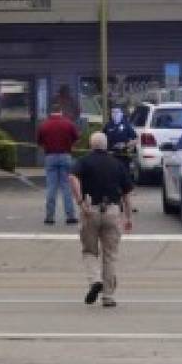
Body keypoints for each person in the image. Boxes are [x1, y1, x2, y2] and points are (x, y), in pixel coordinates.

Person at [70, 132, 134, 308]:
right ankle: (108, 296)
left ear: (91, 145)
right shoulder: (118, 164)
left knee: (89, 250)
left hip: (90, 208)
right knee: (110, 255)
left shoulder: (83, 161)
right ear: (106, 145)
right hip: (112, 210)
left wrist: (80, 201)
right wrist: (128, 216)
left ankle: (95, 280)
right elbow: (127, 194)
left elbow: (72, 177)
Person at [37, 103, 80, 226]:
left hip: (50, 156)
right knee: (66, 187)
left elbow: (39, 142)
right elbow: (76, 138)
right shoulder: (68, 123)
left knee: (51, 187)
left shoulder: (44, 125)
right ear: (61, 111)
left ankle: (50, 217)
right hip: (66, 155)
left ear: (50, 112)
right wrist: (69, 145)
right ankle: (70, 216)